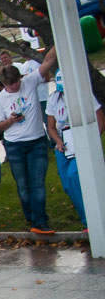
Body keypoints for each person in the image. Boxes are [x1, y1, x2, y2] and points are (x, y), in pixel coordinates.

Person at [0, 46, 58, 234]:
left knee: (37, 182)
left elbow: (47, 62)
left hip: (37, 140)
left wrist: (56, 40)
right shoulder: (0, 100)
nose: (14, 86)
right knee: (23, 184)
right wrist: (10, 120)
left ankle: (40, 220)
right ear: (4, 84)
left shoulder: (29, 82)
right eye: (10, 84)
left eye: (16, 82)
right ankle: (30, 216)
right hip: (14, 145)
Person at [46, 68, 105, 228]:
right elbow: (51, 126)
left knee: (74, 175)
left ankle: (90, 221)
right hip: (63, 145)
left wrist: (92, 140)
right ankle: (86, 214)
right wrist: (57, 141)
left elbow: (101, 119)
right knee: (67, 184)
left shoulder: (85, 95)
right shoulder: (54, 99)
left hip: (82, 142)